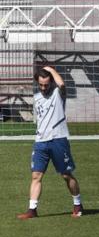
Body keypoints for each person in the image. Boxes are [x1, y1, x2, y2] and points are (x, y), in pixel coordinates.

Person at [17, 66, 84, 219]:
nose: (43, 87)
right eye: (40, 84)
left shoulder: (58, 94)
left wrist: (51, 70)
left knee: (66, 175)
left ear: (51, 82)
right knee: (36, 176)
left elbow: (62, 85)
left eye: (46, 84)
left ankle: (77, 203)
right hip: (41, 142)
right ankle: (32, 210)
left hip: (58, 139)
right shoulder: (36, 97)